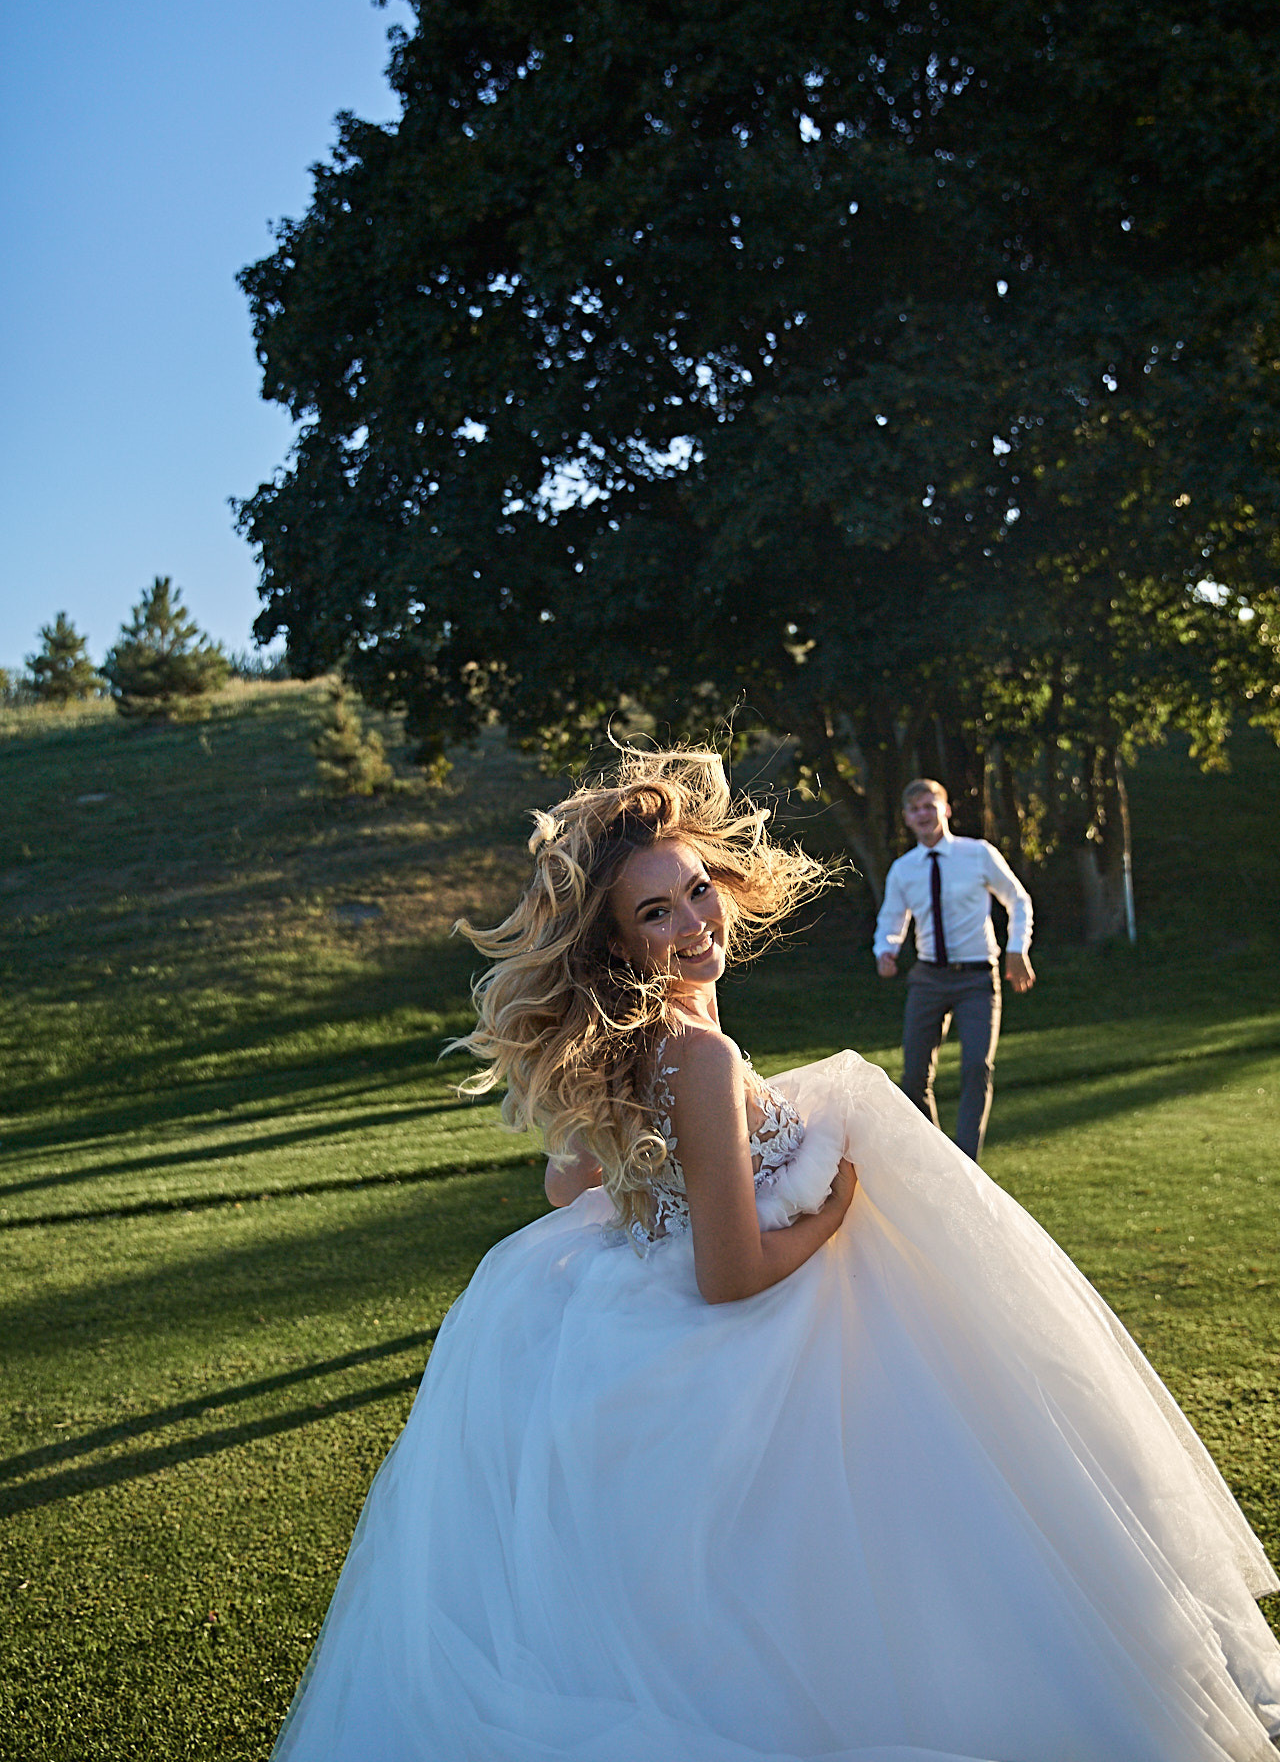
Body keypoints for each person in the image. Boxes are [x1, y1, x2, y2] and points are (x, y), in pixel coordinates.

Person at [270, 746, 1280, 1762]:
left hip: (630, 1303)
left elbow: (561, 1180)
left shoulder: (648, 1039)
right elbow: (728, 1275)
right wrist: (830, 1211)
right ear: (618, 944)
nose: (693, 920)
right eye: (655, 913)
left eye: (696, 890)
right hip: (731, 1331)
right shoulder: (694, 1053)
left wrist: (653, 1169)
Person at [874, 776, 1034, 1159]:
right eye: (915, 809)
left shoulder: (978, 853)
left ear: (945, 809)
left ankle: (967, 1161)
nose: (923, 814)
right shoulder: (903, 869)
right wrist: (886, 949)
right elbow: (892, 918)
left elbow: (1018, 899)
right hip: (929, 977)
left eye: (930, 805)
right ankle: (941, 1162)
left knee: (976, 1068)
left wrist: (1017, 949)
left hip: (978, 977)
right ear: (907, 819)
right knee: (913, 1079)